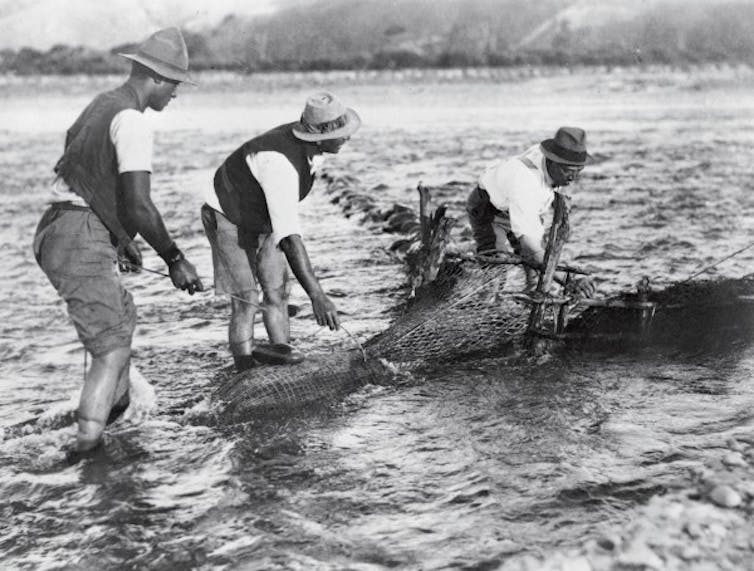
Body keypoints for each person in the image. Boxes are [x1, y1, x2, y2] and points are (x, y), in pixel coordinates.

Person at [33, 28, 204, 452]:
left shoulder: (102, 105)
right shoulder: (133, 122)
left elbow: (85, 171)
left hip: (59, 225)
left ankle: (116, 412)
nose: (176, 95)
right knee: (109, 347)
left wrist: (119, 238)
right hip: (78, 233)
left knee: (121, 317)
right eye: (175, 85)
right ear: (157, 79)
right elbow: (140, 205)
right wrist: (175, 258)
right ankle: (86, 449)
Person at [201, 92, 361, 371]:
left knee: (277, 293)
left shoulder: (310, 148)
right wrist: (317, 296)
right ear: (320, 135)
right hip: (226, 213)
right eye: (342, 133)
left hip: (261, 215)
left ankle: (283, 360)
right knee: (246, 299)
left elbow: (282, 224)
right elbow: (290, 239)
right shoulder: (280, 164)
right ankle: (245, 369)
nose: (348, 137)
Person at [466, 126, 596, 297]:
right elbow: (531, 247)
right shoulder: (526, 184)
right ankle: (485, 309)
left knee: (535, 273)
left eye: (578, 171)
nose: (573, 178)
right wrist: (568, 280)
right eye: (568, 172)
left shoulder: (552, 163)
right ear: (551, 162)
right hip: (490, 206)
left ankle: (530, 308)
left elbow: (535, 247)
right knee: (496, 269)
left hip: (520, 202)